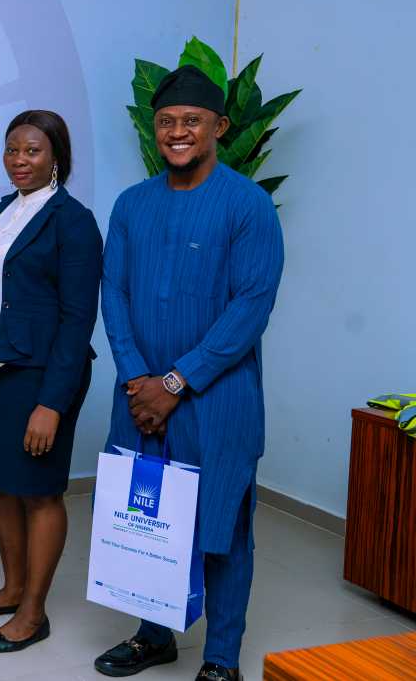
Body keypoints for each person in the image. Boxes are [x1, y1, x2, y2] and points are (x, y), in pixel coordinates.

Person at [94, 65, 283, 681]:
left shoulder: (247, 205)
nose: (178, 132)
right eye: (167, 122)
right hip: (138, 394)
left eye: (192, 122)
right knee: (147, 518)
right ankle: (154, 635)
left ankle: (222, 657)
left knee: (223, 523)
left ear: (219, 128)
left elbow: (251, 306)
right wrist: (137, 378)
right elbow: (114, 294)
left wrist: (176, 382)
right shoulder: (131, 205)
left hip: (218, 400)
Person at [0, 110, 103, 653]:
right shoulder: (2, 211)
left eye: (33, 151)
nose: (19, 160)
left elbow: (77, 318)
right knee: (2, 482)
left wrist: (52, 404)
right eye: (12, 150)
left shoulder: (72, 220)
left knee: (40, 492)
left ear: (57, 158)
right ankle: (12, 587)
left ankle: (33, 612)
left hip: (42, 376)